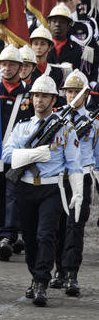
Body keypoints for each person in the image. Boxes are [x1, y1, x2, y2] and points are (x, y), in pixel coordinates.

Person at [2, 75, 81, 307]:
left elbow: (74, 163)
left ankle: (41, 281)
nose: (39, 100)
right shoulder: (22, 127)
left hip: (51, 189)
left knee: (45, 235)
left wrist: (78, 191)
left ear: (53, 99)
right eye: (36, 95)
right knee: (29, 237)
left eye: (44, 96)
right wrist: (32, 154)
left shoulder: (65, 129)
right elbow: (6, 155)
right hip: (26, 186)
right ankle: (35, 274)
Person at [0, 46, 33, 261]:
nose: (7, 68)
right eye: (3, 64)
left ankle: (8, 235)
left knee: (13, 194)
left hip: (16, 150)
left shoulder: (28, 94)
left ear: (20, 67)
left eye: (12, 64)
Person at [52, 71, 95, 297]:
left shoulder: (94, 122)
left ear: (86, 94)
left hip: (82, 176)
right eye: (69, 91)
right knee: (57, 224)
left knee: (75, 225)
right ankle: (58, 270)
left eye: (77, 92)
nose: (72, 96)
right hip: (59, 177)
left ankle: (71, 273)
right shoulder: (55, 118)